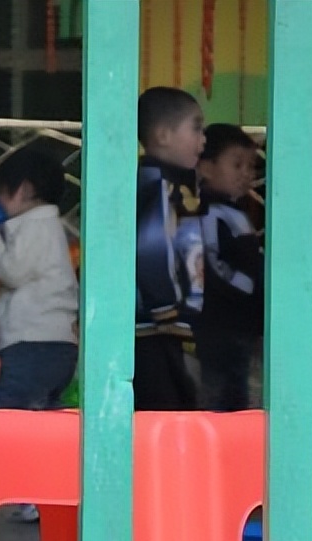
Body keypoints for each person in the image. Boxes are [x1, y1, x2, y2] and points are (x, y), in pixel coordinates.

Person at [0, 147, 79, 522]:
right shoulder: (42, 227)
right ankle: (46, 492)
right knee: (41, 419)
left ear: (25, 190)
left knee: (9, 415)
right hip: (51, 345)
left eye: (2, 193)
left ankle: (23, 491)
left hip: (36, 345)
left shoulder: (37, 225)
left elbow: (13, 269)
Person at [135, 87, 206, 412]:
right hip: (153, 325)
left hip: (162, 325)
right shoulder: (159, 185)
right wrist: (166, 309)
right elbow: (151, 247)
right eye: (196, 128)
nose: (202, 140)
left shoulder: (173, 183)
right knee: (163, 413)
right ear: (163, 135)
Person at [193, 123, 263, 412]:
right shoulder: (209, 213)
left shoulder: (237, 211)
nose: (247, 173)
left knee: (238, 397)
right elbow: (213, 265)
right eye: (237, 164)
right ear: (206, 168)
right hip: (219, 328)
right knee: (221, 402)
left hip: (241, 327)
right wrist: (248, 288)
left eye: (251, 166)